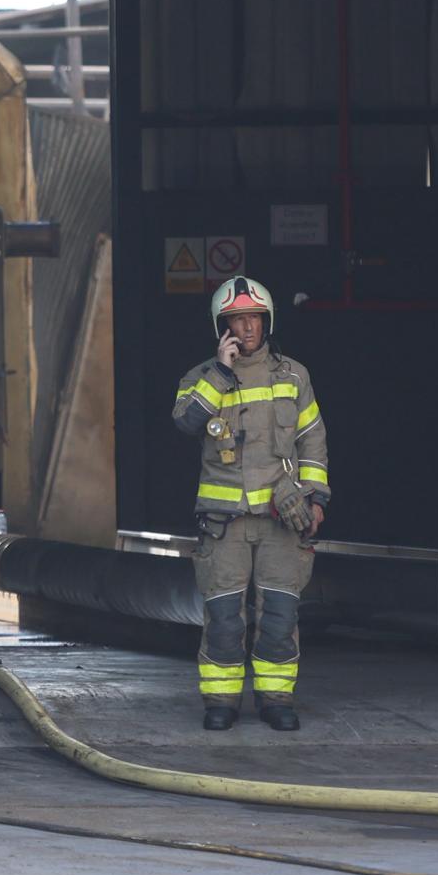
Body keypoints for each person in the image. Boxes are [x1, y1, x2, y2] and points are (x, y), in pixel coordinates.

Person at [171, 277, 330, 732]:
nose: (247, 327)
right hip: (225, 526)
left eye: (254, 318)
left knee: (280, 615)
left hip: (283, 520)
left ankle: (275, 699)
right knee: (224, 618)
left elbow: (312, 440)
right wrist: (222, 372)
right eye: (237, 319)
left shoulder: (294, 376)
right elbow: (186, 422)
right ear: (222, 327)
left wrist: (315, 497)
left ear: (268, 321)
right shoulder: (201, 378)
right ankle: (220, 703)